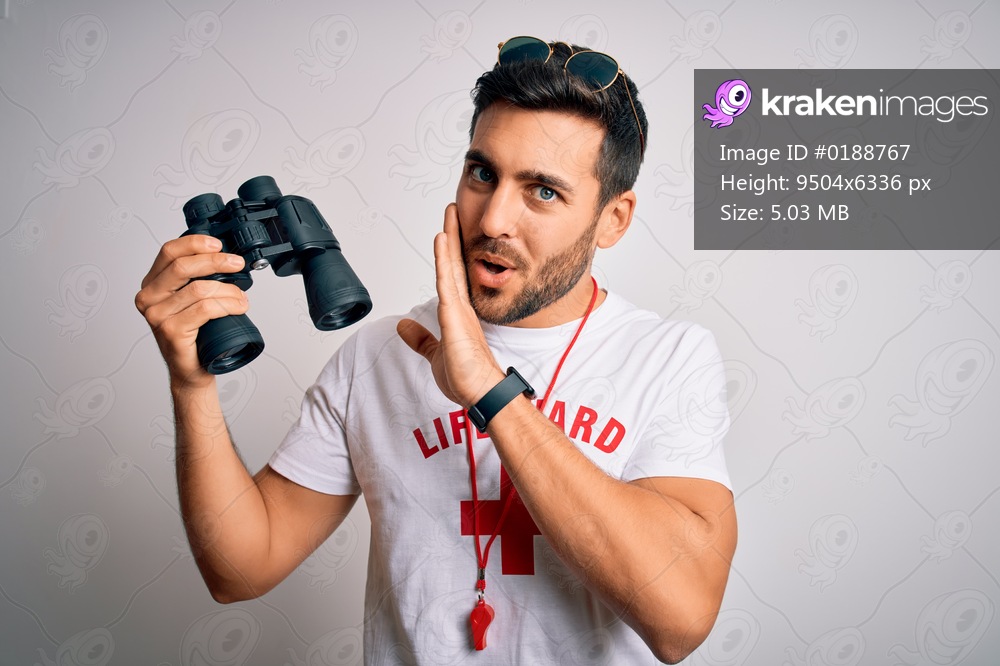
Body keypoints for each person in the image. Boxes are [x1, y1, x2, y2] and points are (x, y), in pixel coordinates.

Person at [135, 36, 736, 665]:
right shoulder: (380, 353)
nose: (494, 217)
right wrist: (191, 383)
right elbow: (241, 569)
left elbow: (681, 619)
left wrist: (490, 391)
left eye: (544, 192)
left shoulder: (669, 358)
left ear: (613, 218)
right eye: (483, 173)